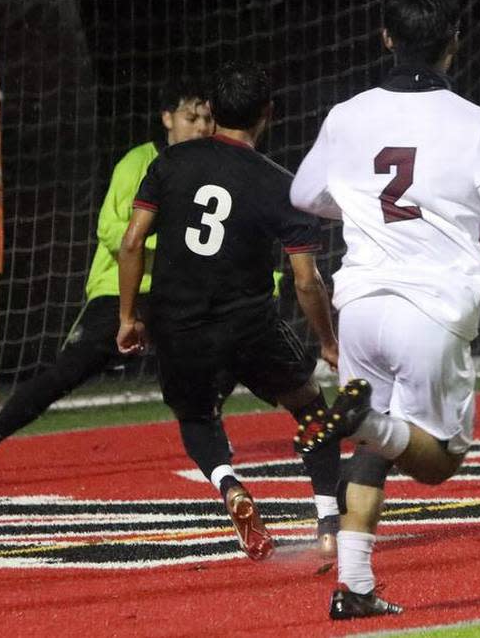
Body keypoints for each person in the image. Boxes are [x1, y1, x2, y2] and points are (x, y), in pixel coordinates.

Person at [290, 0, 480, 619]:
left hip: (362, 303)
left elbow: (305, 195)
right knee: (439, 461)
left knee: (375, 451)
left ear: (386, 38)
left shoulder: (347, 115)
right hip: (433, 307)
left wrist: (358, 205)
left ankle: (355, 586)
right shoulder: (479, 123)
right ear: (454, 43)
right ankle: (361, 420)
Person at [117, 61, 342, 563]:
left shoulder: (171, 163)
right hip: (249, 326)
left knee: (197, 417)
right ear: (269, 114)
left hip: (177, 324)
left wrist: (129, 317)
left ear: (212, 111)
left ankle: (229, 485)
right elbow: (306, 279)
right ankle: (328, 522)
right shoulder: (282, 184)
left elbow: (132, 243)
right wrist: (327, 340)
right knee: (310, 407)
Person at [0, 75, 214, 475]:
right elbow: (111, 232)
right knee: (65, 373)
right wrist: (171, 249)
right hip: (122, 291)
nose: (200, 127)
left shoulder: (214, 169)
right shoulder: (138, 163)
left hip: (178, 293)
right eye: (191, 117)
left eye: (207, 119)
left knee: (232, 347)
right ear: (166, 119)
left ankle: (235, 440)